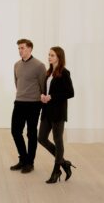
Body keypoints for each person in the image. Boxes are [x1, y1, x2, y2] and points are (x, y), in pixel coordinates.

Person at [38, 46, 75, 183]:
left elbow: (70, 93)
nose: (49, 57)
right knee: (41, 138)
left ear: (59, 57)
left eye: (52, 55)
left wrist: (52, 97)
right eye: (49, 55)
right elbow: (46, 90)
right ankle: (64, 163)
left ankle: (56, 169)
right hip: (47, 111)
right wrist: (42, 95)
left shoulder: (64, 73)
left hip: (58, 112)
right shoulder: (48, 73)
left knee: (57, 139)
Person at [10, 39, 46, 173]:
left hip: (34, 104)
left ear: (30, 49)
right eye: (19, 48)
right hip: (19, 102)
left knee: (31, 134)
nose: (20, 51)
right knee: (15, 131)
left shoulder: (39, 66)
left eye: (23, 48)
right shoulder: (16, 65)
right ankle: (23, 158)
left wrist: (40, 101)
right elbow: (17, 83)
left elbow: (43, 86)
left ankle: (30, 162)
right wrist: (21, 95)